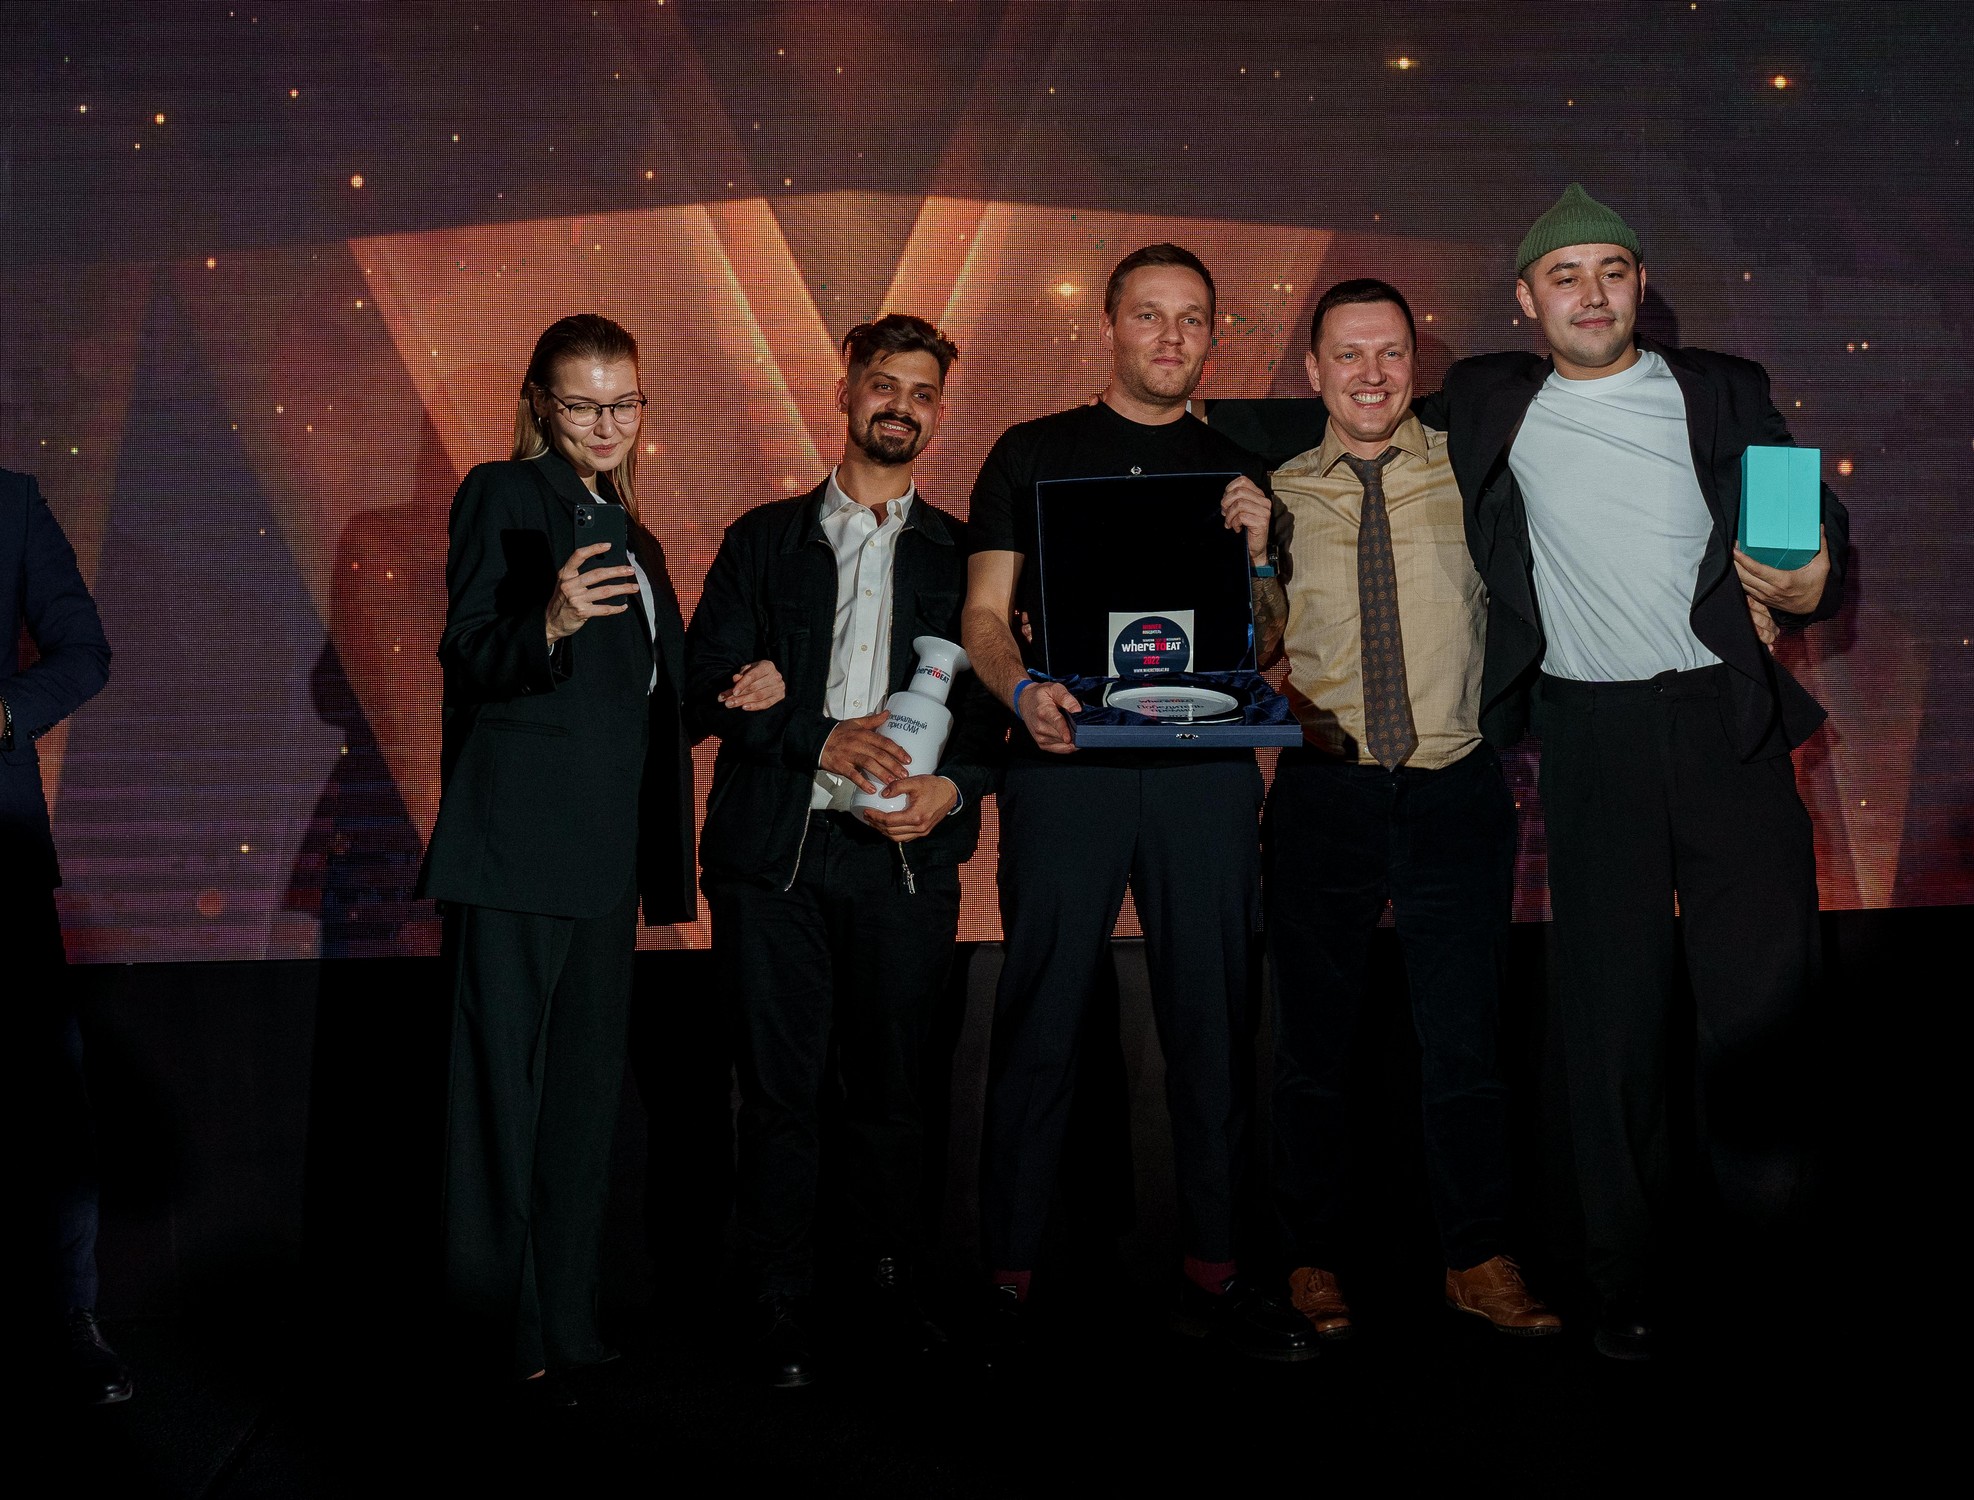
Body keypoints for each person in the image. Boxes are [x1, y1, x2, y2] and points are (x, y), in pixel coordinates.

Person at [1431, 185, 1849, 1359]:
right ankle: (1623, 1281)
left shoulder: (1724, 387)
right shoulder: (1488, 399)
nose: (1591, 294)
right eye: (1564, 276)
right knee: (1611, 1022)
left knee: (1760, 1014)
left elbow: (1796, 515)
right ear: (1527, 300)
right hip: (1592, 736)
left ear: (1640, 287)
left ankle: (1769, 1271)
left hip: (1725, 724)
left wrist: (1808, 574)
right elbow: (1346, 409)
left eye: (1610, 271)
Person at [961, 243, 1316, 1363]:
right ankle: (1007, 1277)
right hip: (1064, 763)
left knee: (1213, 1019)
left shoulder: (1240, 470)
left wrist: (1261, 551)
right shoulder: (1031, 452)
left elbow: (1268, 646)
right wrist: (1020, 692)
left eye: (1193, 319)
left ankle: (1218, 1271)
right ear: (1108, 324)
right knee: (1039, 1018)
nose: (1171, 337)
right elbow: (983, 615)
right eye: (1150, 315)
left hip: (1204, 772)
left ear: (1214, 336)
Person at [678, 314, 1002, 1388]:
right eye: (883, 384)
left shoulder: (966, 554)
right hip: (772, 860)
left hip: (903, 862)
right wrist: (816, 734)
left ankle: (890, 1293)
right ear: (846, 392)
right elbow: (705, 686)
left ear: (939, 413)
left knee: (894, 1095)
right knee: (778, 1095)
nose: (900, 405)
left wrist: (955, 789)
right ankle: (777, 1299)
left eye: (921, 391)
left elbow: (1001, 720)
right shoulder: (762, 538)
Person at [1257, 281, 1560, 1345]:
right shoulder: (1275, 495)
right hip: (1324, 794)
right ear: (1314, 371)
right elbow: (1253, 650)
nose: (1371, 373)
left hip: (1455, 791)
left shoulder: (1473, 472)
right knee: (1313, 1047)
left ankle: (1476, 1257)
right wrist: (1247, 558)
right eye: (1349, 354)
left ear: (1415, 365)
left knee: (1466, 1044)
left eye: (1390, 352)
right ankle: (1309, 1257)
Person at [417, 313, 698, 1406]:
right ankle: (495, 1332)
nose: (607, 424)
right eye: (582, 404)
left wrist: (728, 697)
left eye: (624, 403)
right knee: (499, 1107)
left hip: (606, 862)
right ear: (539, 402)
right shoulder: (503, 491)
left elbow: (637, 707)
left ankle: (567, 1322)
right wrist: (548, 620)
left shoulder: (637, 535)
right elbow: (469, 648)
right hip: (516, 852)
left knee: (580, 1107)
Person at [2, 467, 119, 1403]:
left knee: (46, 1098)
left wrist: (5, 711)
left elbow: (84, 651)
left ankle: (68, 1313)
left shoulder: (10, 503)